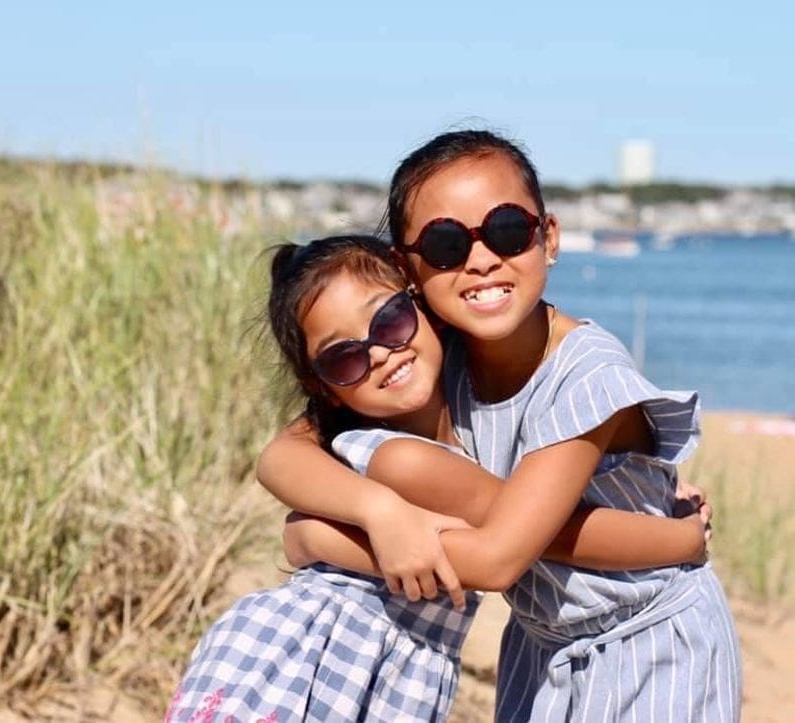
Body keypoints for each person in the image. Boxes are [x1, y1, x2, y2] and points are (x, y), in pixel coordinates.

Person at [264, 130, 741, 722]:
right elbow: (284, 453)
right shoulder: (433, 349)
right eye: (444, 245)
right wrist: (376, 511)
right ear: (407, 269)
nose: (482, 259)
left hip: (653, 645)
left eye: (508, 230)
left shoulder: (586, 377)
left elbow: (499, 557)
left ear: (549, 238)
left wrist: (315, 539)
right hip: (542, 645)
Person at [166, 235, 709, 723]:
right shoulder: (405, 460)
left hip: (390, 664)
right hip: (318, 655)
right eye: (344, 357)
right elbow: (526, 544)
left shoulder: (451, 416)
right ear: (325, 386)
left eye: (389, 321)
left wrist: (315, 535)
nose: (379, 353)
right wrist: (680, 539)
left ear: (421, 306)